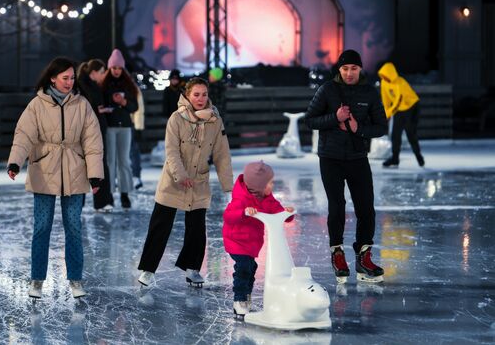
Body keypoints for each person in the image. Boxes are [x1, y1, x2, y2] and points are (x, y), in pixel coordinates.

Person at [7, 57, 104, 298]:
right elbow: (23, 136)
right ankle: (37, 280)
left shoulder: (82, 105)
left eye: (72, 78)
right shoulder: (37, 106)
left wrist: (95, 176)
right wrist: (15, 162)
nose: (69, 82)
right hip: (44, 170)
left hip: (74, 171)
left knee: (74, 227)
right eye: (65, 78)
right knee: (42, 227)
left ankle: (76, 280)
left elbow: (93, 143)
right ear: (53, 78)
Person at [137, 77, 233, 287]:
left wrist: (228, 186)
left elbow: (222, 154)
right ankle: (148, 269)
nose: (200, 98)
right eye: (196, 94)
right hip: (173, 179)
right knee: (160, 225)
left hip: (199, 180)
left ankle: (193, 269)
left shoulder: (215, 121)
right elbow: (171, 151)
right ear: (187, 96)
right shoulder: (177, 118)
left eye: (204, 94)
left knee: (197, 227)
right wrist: (181, 175)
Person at [304, 49, 387, 284]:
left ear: (360, 69)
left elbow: (381, 126)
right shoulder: (328, 90)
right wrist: (335, 118)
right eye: (345, 68)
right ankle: (337, 253)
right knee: (337, 206)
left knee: (366, 208)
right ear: (339, 70)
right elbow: (309, 120)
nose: (349, 72)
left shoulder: (369, 92)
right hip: (330, 157)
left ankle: (364, 257)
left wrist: (357, 127)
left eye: (353, 68)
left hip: (358, 156)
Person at [222, 161, 294, 317]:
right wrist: (243, 212)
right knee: (244, 268)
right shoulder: (240, 199)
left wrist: (287, 213)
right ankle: (239, 299)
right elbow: (228, 216)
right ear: (259, 185)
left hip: (251, 243)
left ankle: (246, 294)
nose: (272, 186)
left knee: (251, 268)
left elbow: (277, 210)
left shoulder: (267, 198)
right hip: (236, 241)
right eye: (270, 183)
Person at [102, 49, 139, 208]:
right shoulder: (103, 85)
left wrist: (124, 103)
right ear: (110, 68)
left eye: (119, 68)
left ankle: (125, 194)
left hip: (124, 127)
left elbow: (134, 107)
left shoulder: (128, 85)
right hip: (110, 126)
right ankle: (109, 193)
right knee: (111, 161)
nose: (117, 71)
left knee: (124, 160)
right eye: (114, 68)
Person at [77, 59, 115, 212]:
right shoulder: (80, 85)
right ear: (93, 72)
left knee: (99, 164)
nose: (103, 74)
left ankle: (102, 201)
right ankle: (78, 202)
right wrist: (97, 110)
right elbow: (80, 106)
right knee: (82, 165)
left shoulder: (96, 86)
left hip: (97, 128)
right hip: (84, 130)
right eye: (101, 72)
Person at [378, 62, 424, 168]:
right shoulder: (384, 82)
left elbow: (398, 100)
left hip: (411, 107)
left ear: (391, 74)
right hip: (399, 109)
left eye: (386, 75)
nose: (385, 78)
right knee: (395, 135)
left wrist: (389, 113)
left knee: (410, 133)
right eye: (383, 76)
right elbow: (386, 100)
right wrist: (385, 113)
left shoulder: (400, 83)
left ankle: (419, 157)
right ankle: (395, 159)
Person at [131, 87, 145, 189]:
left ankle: (136, 176)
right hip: (117, 123)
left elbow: (139, 109)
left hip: (130, 124)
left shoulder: (133, 88)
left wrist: (138, 127)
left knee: (134, 151)